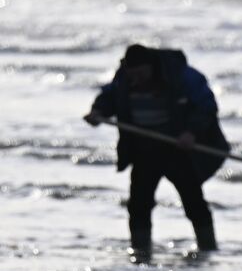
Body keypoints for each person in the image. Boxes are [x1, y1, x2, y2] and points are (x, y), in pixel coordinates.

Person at [83, 44, 228, 258]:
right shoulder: (124, 79)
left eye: (141, 74)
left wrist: (191, 132)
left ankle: (208, 250)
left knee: (194, 202)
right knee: (138, 205)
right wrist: (97, 112)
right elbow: (109, 97)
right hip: (144, 150)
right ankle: (141, 252)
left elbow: (206, 106)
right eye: (133, 75)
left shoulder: (182, 77)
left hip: (177, 150)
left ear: (151, 67)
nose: (137, 80)